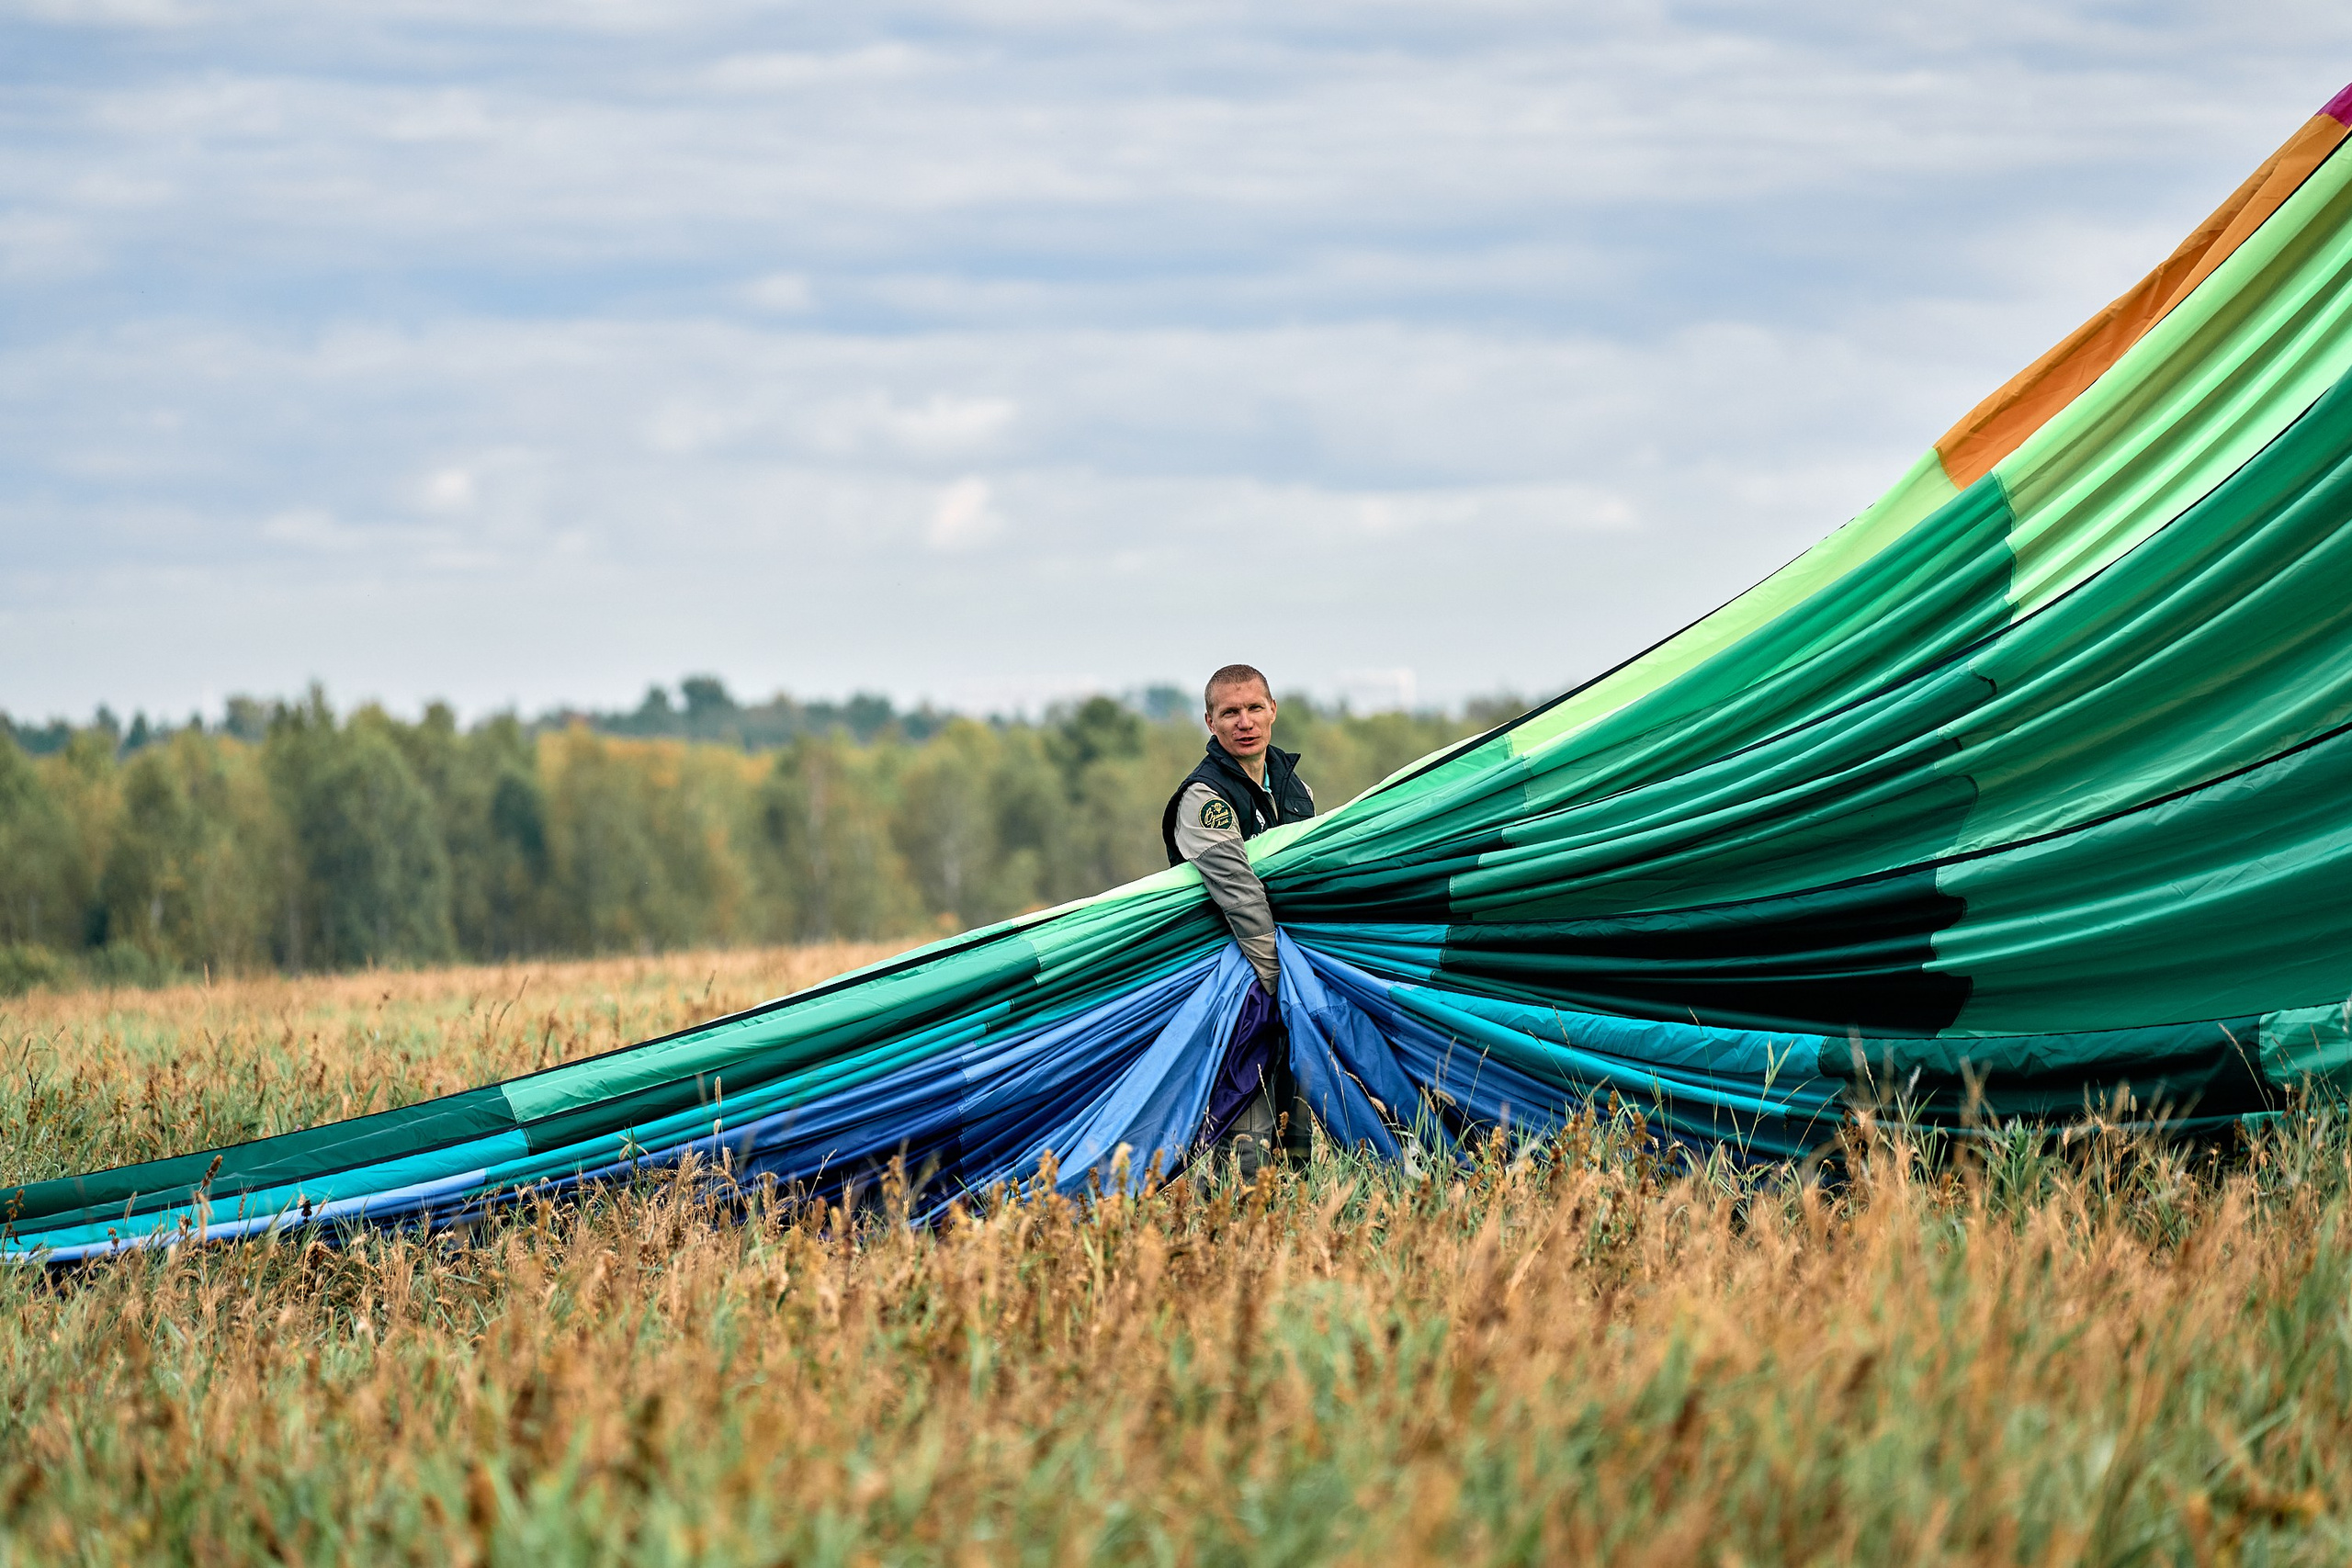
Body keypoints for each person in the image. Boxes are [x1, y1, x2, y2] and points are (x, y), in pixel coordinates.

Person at [1161, 663, 1316, 1175]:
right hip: (1236, 987)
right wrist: (1281, 981)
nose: (1243, 721)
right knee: (1247, 1133)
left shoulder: (1298, 791)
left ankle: (1293, 1248)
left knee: (1296, 1134)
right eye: (1230, 712)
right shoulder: (1204, 799)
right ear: (1210, 722)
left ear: (1273, 710)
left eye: (1253, 707)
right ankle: (1235, 1240)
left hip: (1292, 978)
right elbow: (1242, 899)